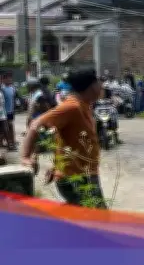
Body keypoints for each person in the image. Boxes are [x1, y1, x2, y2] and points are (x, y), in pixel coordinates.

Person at [20, 68, 107, 209]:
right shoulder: (72, 107)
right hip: (76, 178)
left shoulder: (84, 106)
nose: (102, 87)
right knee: (97, 217)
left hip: (84, 174)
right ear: (91, 87)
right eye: (99, 83)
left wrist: (56, 165)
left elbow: (64, 138)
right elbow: (36, 125)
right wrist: (25, 157)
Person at [2, 74, 17, 150]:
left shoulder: (12, 88)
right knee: (6, 128)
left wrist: (14, 109)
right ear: (4, 80)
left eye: (10, 79)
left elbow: (13, 99)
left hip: (11, 111)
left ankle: (12, 141)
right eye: (8, 79)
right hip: (4, 112)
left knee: (10, 127)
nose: (9, 80)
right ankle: (9, 142)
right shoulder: (2, 89)